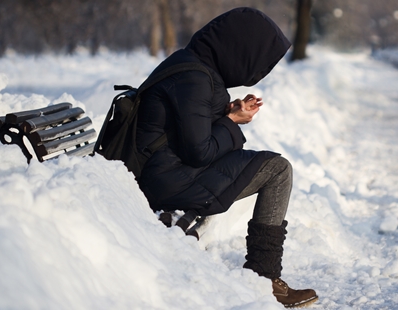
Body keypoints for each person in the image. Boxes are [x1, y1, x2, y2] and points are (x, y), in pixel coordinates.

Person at [136, 7, 318, 308]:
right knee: (277, 169)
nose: (256, 70)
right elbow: (199, 151)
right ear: (239, 48)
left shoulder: (196, 67)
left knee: (271, 167)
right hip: (168, 181)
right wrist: (231, 121)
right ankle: (264, 277)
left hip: (169, 170)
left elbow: (190, 126)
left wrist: (227, 112)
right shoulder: (194, 78)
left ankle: (263, 275)